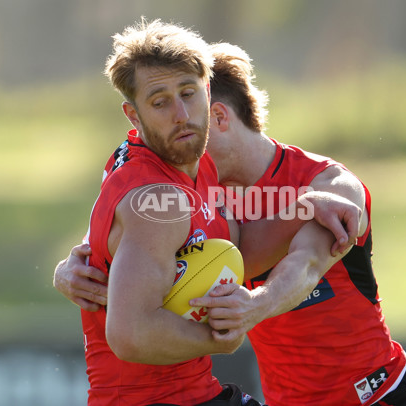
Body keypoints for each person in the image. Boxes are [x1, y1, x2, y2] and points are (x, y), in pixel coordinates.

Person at [56, 39, 406, 405]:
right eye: (161, 105)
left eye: (191, 102)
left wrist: (255, 305)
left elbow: (306, 265)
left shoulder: (330, 185)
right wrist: (74, 266)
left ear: (215, 113)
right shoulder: (197, 190)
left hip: (375, 396)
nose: (180, 122)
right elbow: (129, 227)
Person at [77, 19, 266, 406]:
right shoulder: (159, 202)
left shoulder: (188, 160)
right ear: (134, 116)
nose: (181, 114)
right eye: (160, 102)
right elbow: (131, 333)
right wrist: (223, 337)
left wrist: (317, 198)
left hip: (197, 393)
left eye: (188, 93)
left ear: (207, 90)